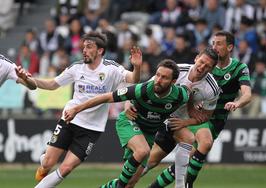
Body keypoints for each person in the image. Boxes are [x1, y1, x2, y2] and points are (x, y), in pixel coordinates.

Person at [33, 31, 142, 188]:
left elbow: (133, 79)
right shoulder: (76, 68)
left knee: (66, 168)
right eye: (83, 47)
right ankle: (44, 162)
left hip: (92, 128)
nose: (84, 50)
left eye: (89, 47)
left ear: (100, 50)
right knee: (48, 163)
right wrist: (28, 80)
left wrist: (136, 67)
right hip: (70, 118)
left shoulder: (111, 69)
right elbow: (52, 84)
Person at [144, 31, 252, 188]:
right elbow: (189, 86)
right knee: (204, 144)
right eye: (213, 43)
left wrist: (237, 103)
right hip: (196, 116)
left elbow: (247, 94)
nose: (214, 47)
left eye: (219, 44)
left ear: (230, 47)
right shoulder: (204, 65)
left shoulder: (239, 68)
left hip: (216, 120)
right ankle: (187, 185)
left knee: (184, 162)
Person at [64, 59, 191, 188]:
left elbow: (192, 94)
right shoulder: (143, 90)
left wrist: (195, 117)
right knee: (142, 151)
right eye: (157, 75)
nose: (158, 80)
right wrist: (76, 109)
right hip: (129, 122)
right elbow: (107, 97)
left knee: (130, 183)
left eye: (164, 77)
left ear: (173, 82)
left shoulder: (180, 95)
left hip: (148, 134)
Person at [125, 47, 220, 188]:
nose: (202, 67)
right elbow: (143, 89)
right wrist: (127, 104)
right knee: (147, 164)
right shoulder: (176, 71)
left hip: (178, 122)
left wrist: (186, 122)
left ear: (212, 69)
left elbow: (206, 116)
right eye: (201, 62)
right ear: (196, 58)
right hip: (160, 115)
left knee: (189, 144)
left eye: (207, 66)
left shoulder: (211, 88)